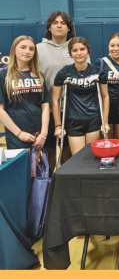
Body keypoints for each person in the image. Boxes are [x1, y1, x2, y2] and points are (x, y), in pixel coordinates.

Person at [37, 11, 85, 168]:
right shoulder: (38, 50)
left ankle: (69, 181)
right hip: (48, 109)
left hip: (74, 109)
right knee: (49, 149)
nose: (59, 25)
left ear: (69, 28)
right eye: (55, 23)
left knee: (70, 150)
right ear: (49, 27)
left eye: (63, 23)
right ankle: (51, 183)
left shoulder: (77, 48)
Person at [53, 37, 109, 156]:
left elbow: (105, 97)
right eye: (75, 50)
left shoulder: (98, 72)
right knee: (78, 158)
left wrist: (105, 122)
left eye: (82, 49)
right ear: (70, 53)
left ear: (88, 51)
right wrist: (58, 126)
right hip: (73, 120)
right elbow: (55, 99)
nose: (79, 53)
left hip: (93, 118)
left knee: (92, 157)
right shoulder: (64, 73)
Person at [0, 36, 50, 150]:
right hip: (16, 135)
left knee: (36, 167)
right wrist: (19, 133)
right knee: (24, 167)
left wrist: (44, 134)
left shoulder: (38, 74)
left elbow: (45, 104)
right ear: (14, 50)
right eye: (23, 47)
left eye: (31, 49)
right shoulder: (4, 75)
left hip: (38, 134)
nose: (27, 51)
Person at [94, 33, 119, 141]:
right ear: (108, 47)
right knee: (105, 142)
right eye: (112, 45)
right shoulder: (100, 63)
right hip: (103, 109)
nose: (115, 49)